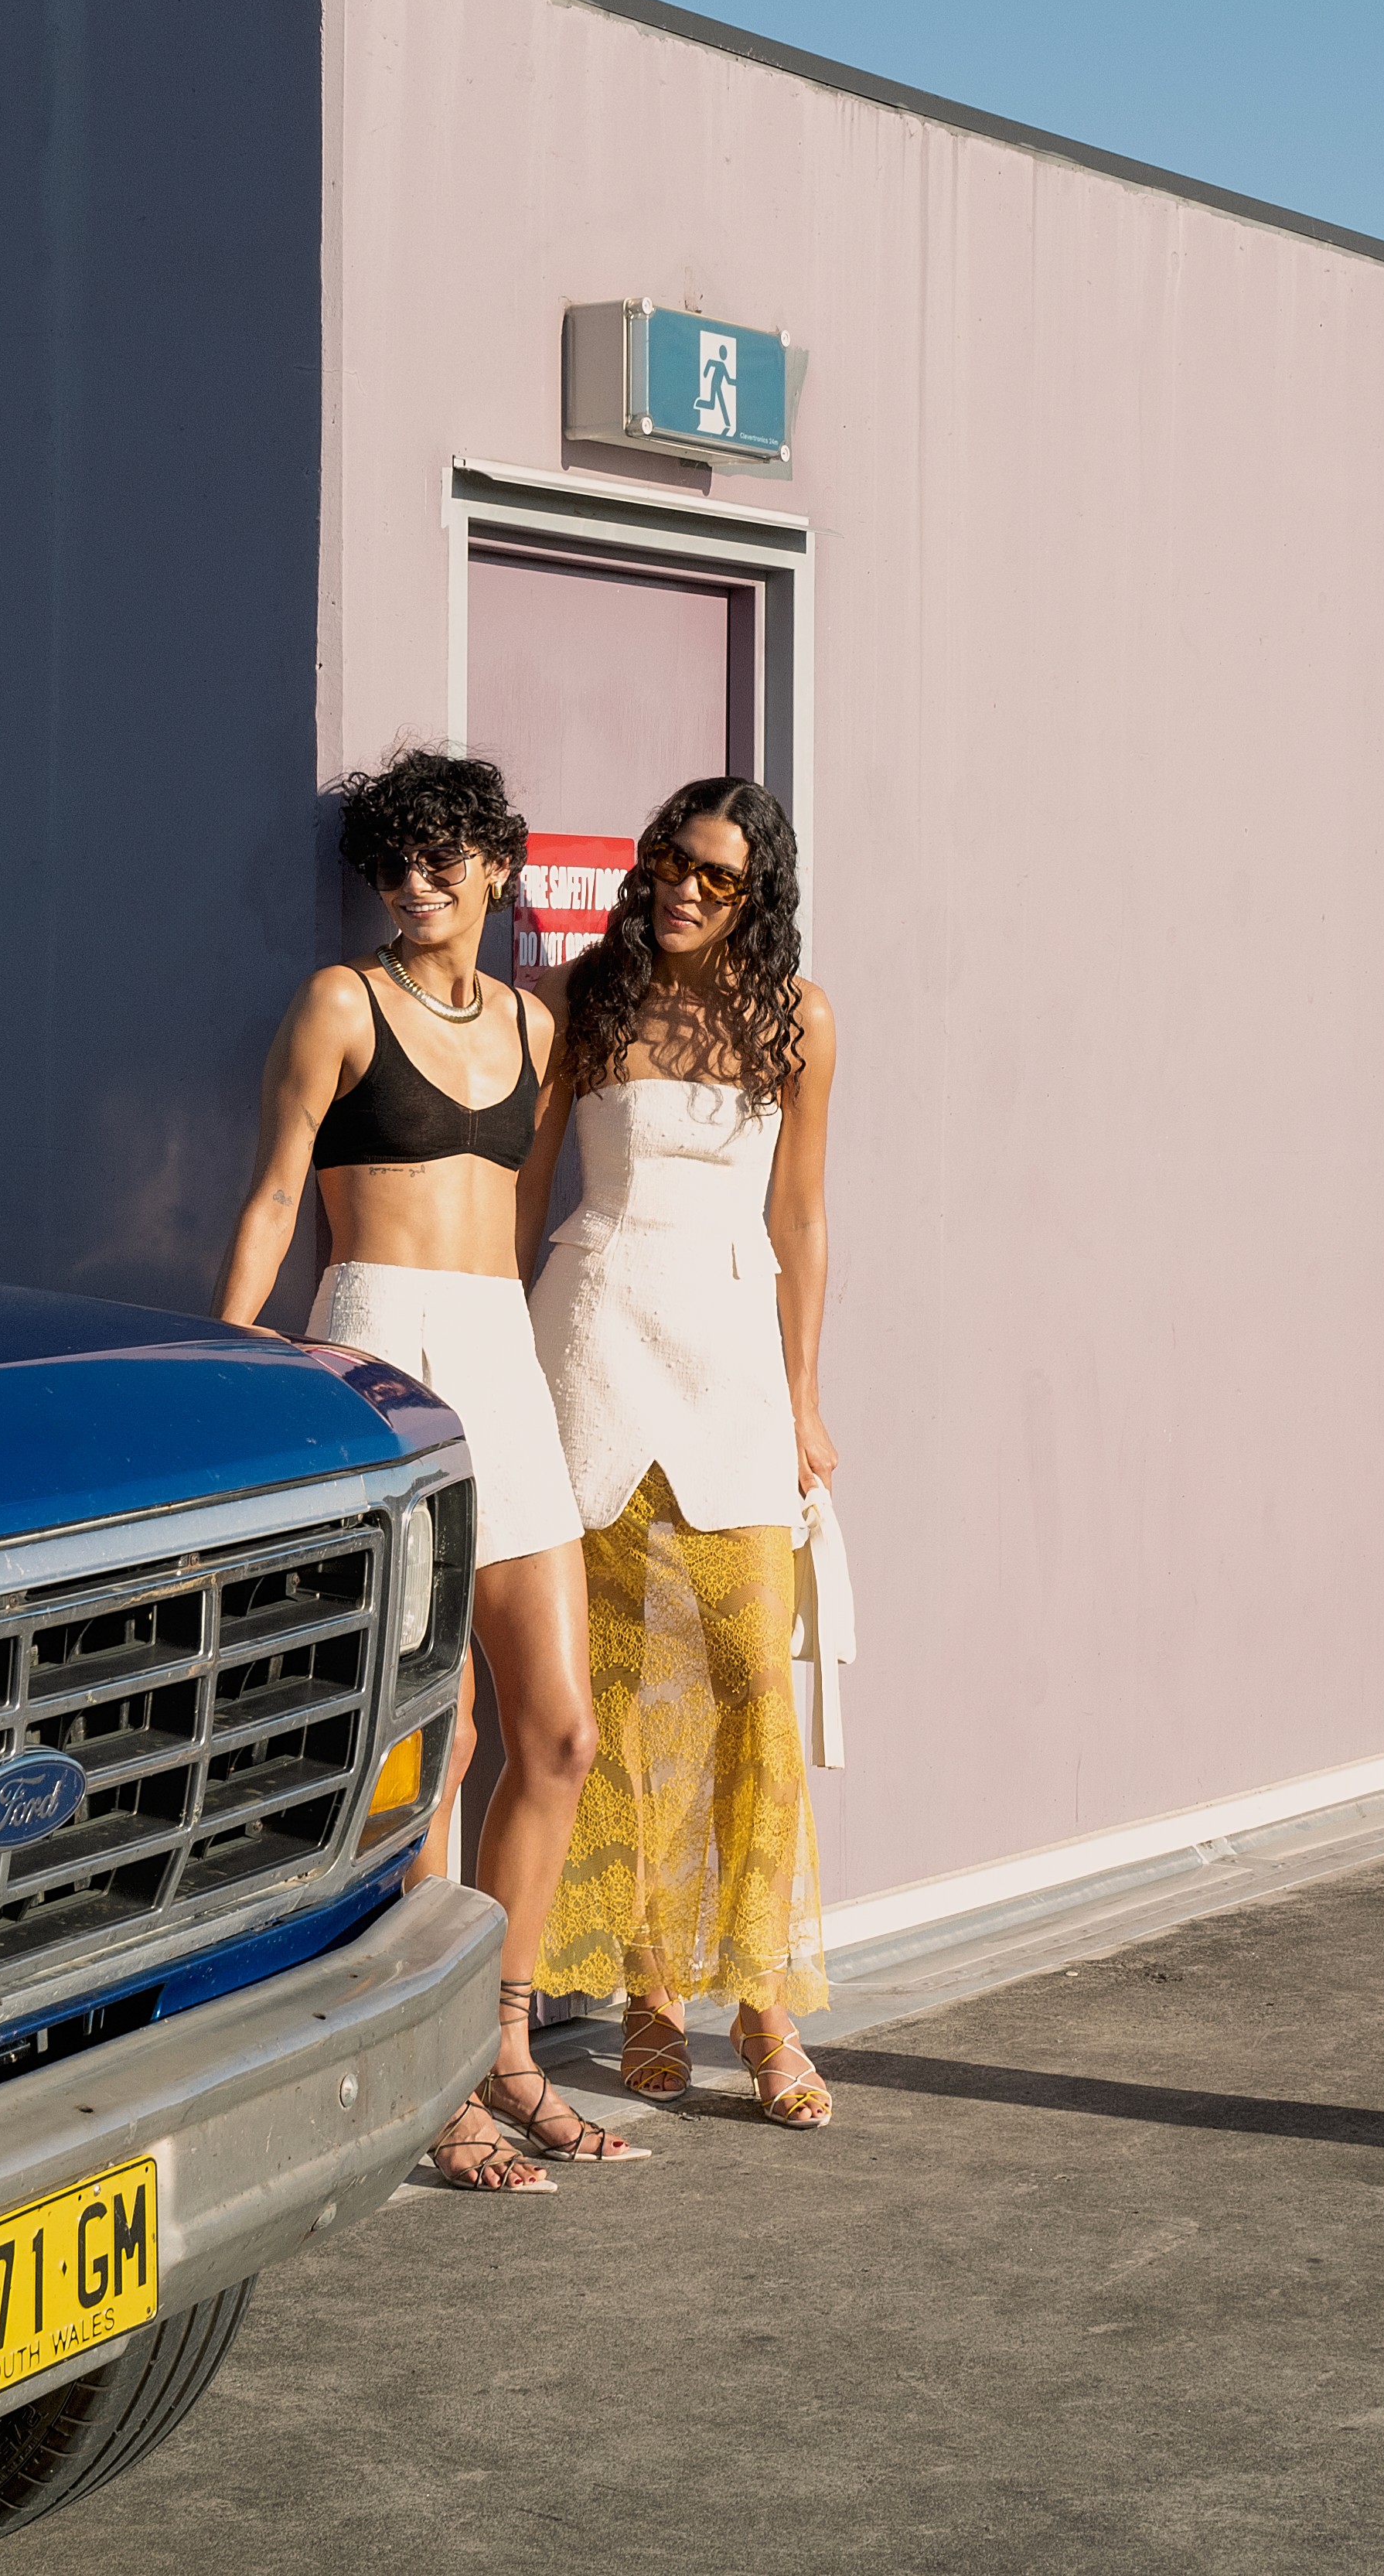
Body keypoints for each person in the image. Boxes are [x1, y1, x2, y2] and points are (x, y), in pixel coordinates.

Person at [212, 746, 647, 2192]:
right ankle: (437, 2071)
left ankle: (510, 2046)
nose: (414, 882)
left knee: (560, 1733)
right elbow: (276, 1194)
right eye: (393, 863)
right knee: (437, 1742)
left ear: (497, 869)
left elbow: (536, 1216)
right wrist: (230, 1372)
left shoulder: (536, 1025)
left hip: (498, 1356)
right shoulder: (342, 1003)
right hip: (378, 1347)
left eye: (441, 858)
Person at [525, 775, 842, 2129]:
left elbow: (803, 1218)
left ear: (755, 893)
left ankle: (763, 2002)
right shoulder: (581, 1003)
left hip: (729, 1358)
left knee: (749, 1683)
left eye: (716, 877)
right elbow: (527, 1184)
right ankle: (648, 1984)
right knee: (606, 1685)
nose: (683, 891)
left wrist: (803, 1395)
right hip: (590, 1337)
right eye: (670, 862)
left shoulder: (797, 1018)